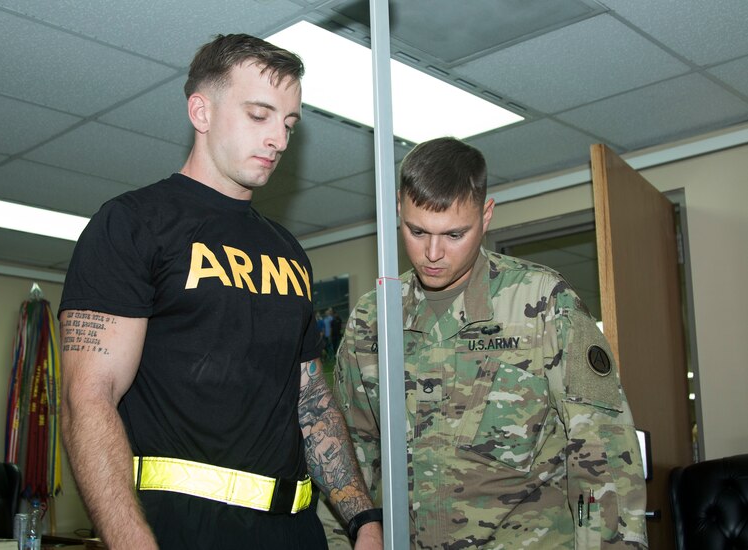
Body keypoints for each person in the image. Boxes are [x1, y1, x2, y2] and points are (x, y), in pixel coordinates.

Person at [58, 33, 382, 550]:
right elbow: (88, 399)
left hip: (295, 531)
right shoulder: (134, 223)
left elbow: (310, 400)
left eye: (289, 123)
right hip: (181, 530)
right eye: (260, 115)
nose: (279, 137)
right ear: (200, 111)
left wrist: (362, 517)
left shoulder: (288, 251)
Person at [322, 137, 648, 548]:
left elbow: (603, 455)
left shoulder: (543, 302)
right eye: (417, 231)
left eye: (454, 234)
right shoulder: (373, 319)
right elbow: (350, 455)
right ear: (398, 213)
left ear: (486, 215)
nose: (433, 253)